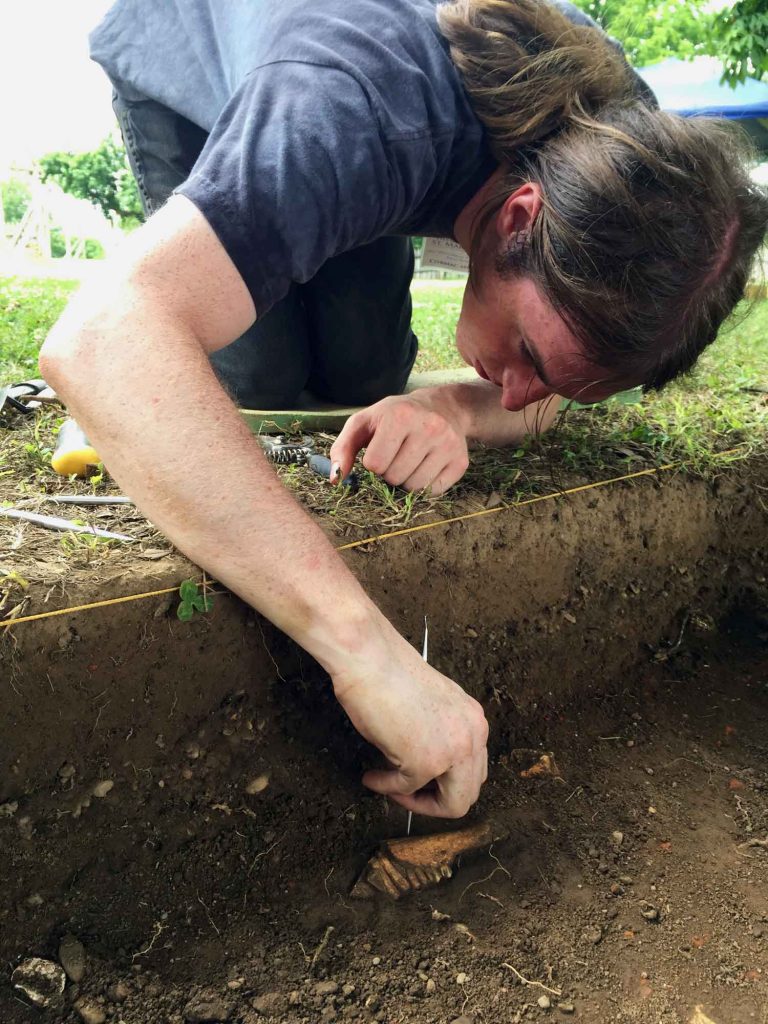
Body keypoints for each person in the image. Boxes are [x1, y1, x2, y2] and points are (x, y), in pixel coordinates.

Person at [41, 0, 767, 820]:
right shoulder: (353, 116)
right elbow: (104, 339)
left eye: (554, 383)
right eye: (529, 358)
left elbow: (540, 396)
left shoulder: (638, 177)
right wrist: (366, 653)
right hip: (197, 55)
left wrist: (456, 409)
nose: (520, 399)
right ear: (520, 218)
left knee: (364, 372)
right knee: (263, 379)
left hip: (380, 129)